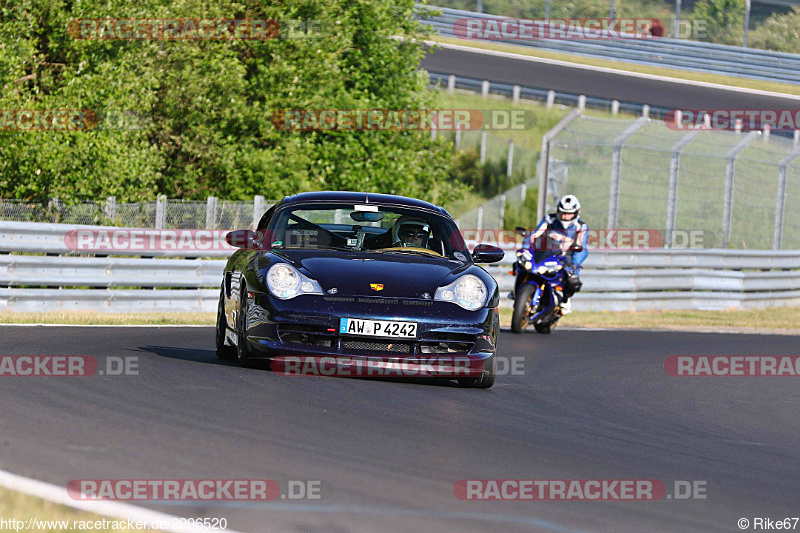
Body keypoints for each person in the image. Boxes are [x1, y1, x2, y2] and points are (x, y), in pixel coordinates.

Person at [522, 194, 588, 314]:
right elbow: (533, 235)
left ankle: (565, 300)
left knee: (573, 280)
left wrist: (575, 263)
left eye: (569, 214)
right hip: (544, 253)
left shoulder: (581, 227)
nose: (565, 216)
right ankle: (520, 290)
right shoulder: (549, 219)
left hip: (566, 259)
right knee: (521, 264)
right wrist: (526, 248)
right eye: (563, 213)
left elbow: (582, 249)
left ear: (577, 212)